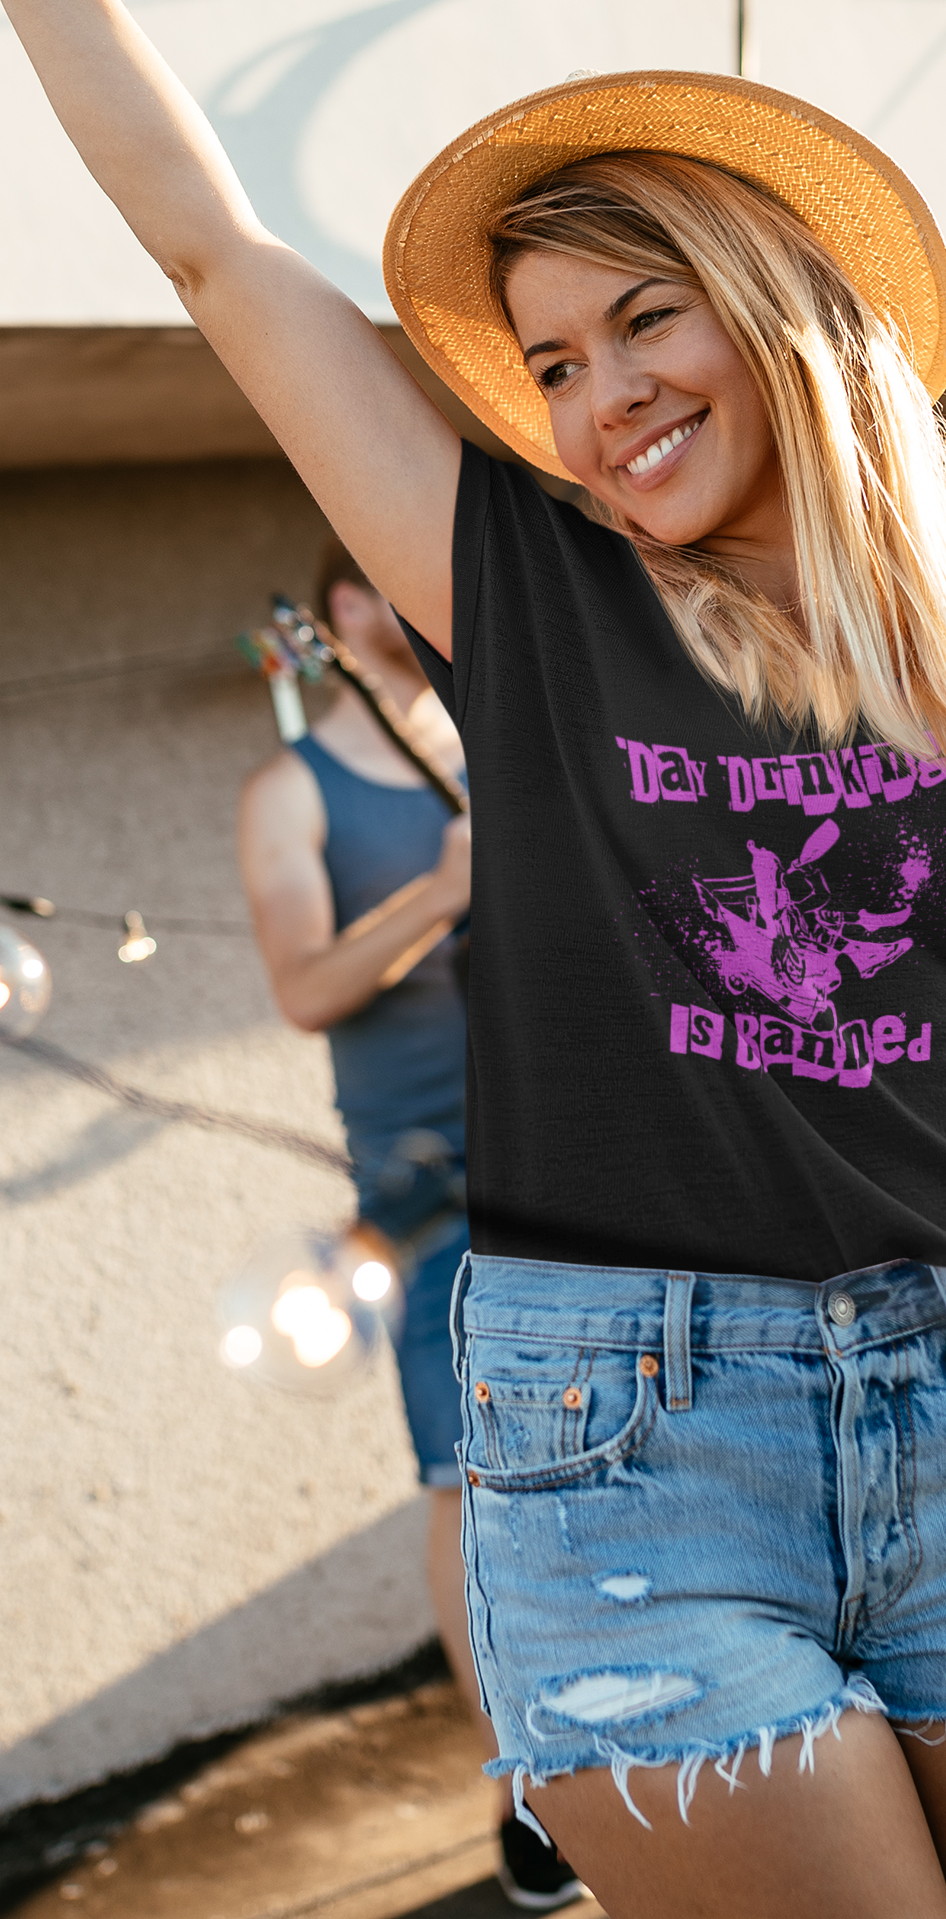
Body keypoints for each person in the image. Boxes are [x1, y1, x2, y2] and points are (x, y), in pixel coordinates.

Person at [1, 0, 946, 1919]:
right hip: (629, 1462)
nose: (598, 402)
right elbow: (215, 253)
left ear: (777, 310)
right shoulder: (528, 596)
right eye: (549, 368)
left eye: (639, 324)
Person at [236, 542, 585, 1912]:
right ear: (333, 616)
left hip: (581, 1147)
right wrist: (443, 889)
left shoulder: (514, 732)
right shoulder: (290, 788)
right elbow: (306, 986)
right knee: (470, 1484)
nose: (397, 609)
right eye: (369, 586)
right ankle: (528, 1786)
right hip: (427, 1191)